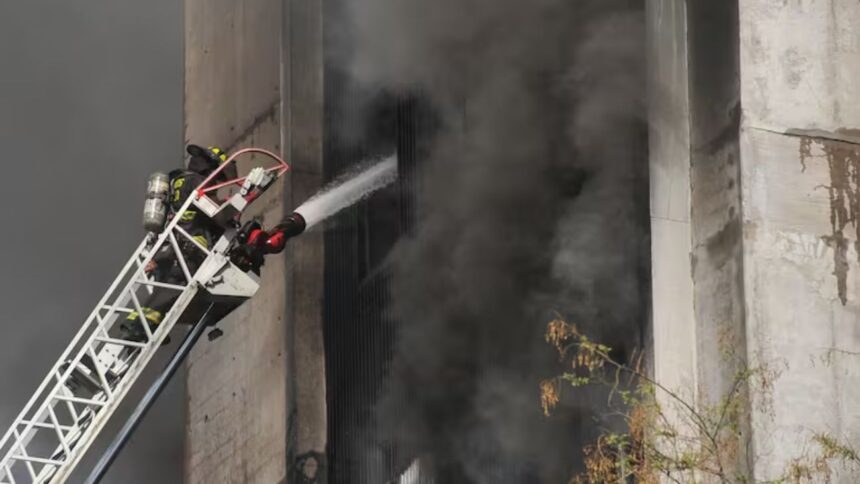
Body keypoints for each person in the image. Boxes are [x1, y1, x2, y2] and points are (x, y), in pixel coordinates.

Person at [121, 144, 235, 341]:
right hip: (188, 247)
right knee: (175, 285)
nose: (217, 182)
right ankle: (140, 326)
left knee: (167, 287)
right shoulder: (198, 182)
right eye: (218, 176)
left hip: (168, 246)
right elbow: (217, 215)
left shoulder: (177, 181)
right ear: (211, 168)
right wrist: (232, 209)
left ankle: (140, 324)